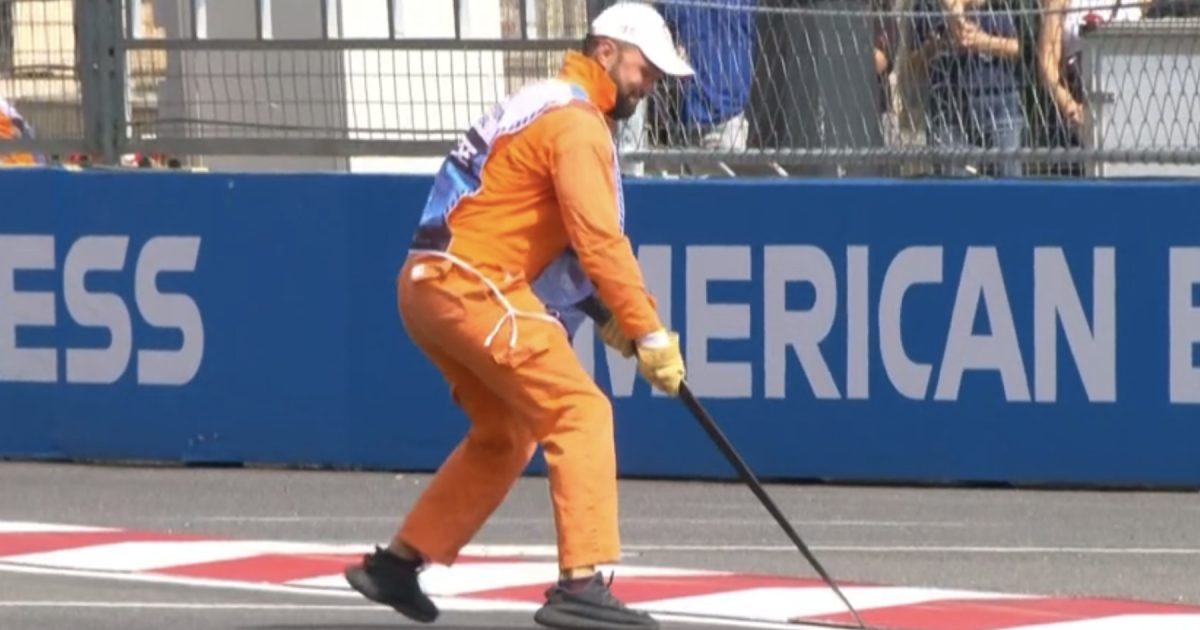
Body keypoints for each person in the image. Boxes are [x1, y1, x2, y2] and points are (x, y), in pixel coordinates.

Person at [341, 3, 692, 630]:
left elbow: (548, 240)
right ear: (606, 52)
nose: (651, 85)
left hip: (428, 286)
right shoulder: (577, 124)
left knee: (506, 433)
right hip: (475, 283)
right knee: (582, 413)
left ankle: (396, 565)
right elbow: (598, 242)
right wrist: (648, 331)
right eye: (647, 68)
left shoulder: (542, 102)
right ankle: (580, 584)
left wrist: (605, 314)